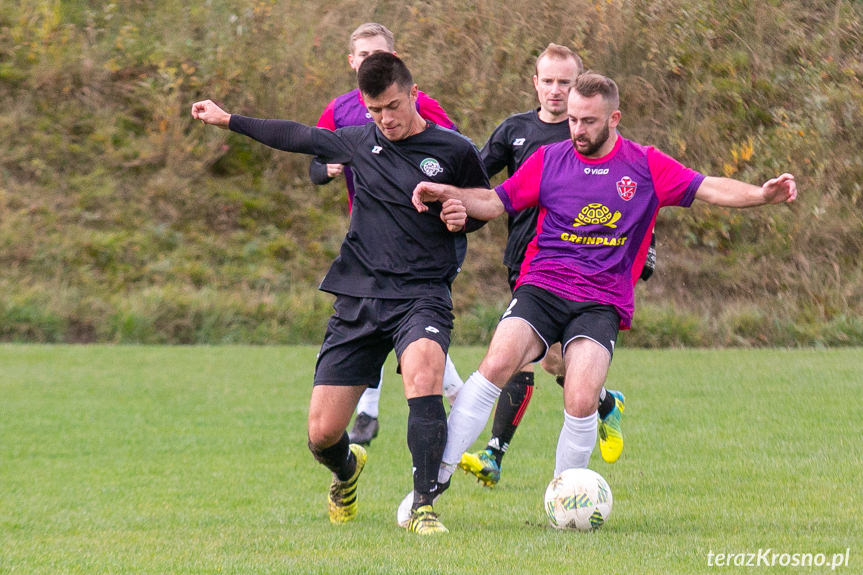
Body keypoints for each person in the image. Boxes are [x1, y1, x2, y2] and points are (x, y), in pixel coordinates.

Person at [399, 72, 796, 526]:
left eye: (588, 121)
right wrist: (447, 193)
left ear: (614, 118)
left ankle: (565, 503)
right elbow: (494, 202)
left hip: (601, 300)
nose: (577, 130)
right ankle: (431, 483)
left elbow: (709, 187)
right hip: (542, 287)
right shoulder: (549, 159)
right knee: (495, 364)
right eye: (571, 120)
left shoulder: (645, 166)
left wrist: (762, 196)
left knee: (582, 397)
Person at [192, 52, 490, 535]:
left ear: (414, 93)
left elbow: (484, 202)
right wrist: (229, 120)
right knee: (322, 434)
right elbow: (295, 135)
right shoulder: (357, 142)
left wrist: (461, 213)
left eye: (393, 106)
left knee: (424, 371)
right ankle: (348, 471)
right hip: (359, 297)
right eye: (375, 111)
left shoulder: (453, 149)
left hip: (421, 294)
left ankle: (423, 506)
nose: (385, 119)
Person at [458, 44, 633, 489]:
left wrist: (643, 252)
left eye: (565, 83)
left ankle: (495, 452)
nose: (556, 91)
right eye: (548, 81)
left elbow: (634, 195)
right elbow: (479, 180)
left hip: (582, 270)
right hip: (526, 261)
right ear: (535, 83)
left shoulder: (589, 136)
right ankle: (604, 403)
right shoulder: (514, 130)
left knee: (530, 361)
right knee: (551, 362)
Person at [309, 22, 464, 447]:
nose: (369, 61)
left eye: (379, 54)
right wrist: (326, 169)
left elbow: (456, 151)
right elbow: (313, 164)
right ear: (351, 62)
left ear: (396, 60)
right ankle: (430, 402)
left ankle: (386, 412)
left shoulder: (420, 104)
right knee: (376, 322)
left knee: (411, 327)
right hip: (366, 237)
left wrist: (451, 203)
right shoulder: (339, 110)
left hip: (418, 240)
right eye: (362, 56)